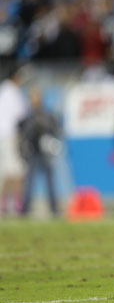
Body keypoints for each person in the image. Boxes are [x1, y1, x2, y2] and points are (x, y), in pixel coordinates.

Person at [19, 88, 62, 216]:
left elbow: (55, 130)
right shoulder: (28, 116)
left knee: (50, 182)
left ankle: (54, 209)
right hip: (33, 152)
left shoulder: (47, 115)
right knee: (29, 183)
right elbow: (25, 134)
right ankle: (25, 209)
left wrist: (50, 142)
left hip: (45, 153)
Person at [0, 66, 28, 216]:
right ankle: (15, 204)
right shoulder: (12, 92)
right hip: (10, 135)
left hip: (3, 136)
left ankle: (6, 203)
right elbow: (21, 115)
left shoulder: (3, 90)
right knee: (16, 171)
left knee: (7, 170)